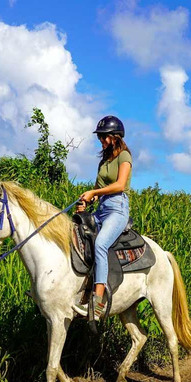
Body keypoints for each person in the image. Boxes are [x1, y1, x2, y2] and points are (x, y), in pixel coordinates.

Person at [75, 115, 133, 319]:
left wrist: (94, 193)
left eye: (105, 137)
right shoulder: (103, 161)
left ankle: (97, 302)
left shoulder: (124, 156)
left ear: (116, 137)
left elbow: (119, 185)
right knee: (77, 234)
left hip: (117, 208)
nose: (102, 141)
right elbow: (99, 189)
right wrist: (86, 201)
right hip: (101, 208)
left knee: (100, 244)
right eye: (100, 137)